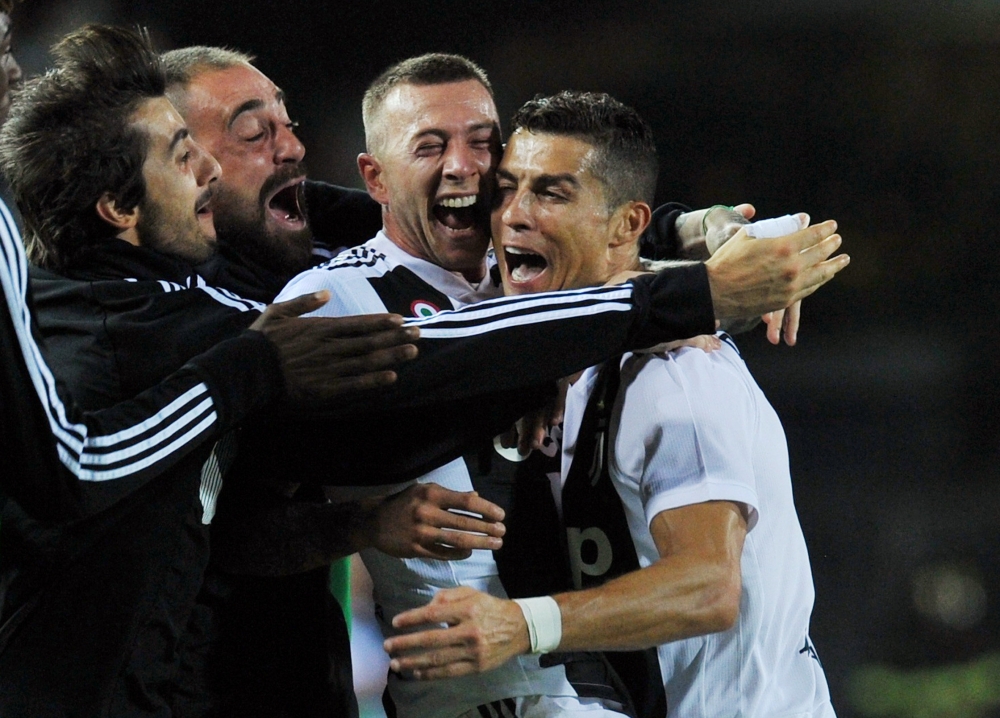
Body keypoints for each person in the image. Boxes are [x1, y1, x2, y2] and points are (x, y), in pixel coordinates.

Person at [277, 57, 846, 717]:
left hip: (592, 686)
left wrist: (706, 264)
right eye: (430, 145)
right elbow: (250, 515)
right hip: (470, 694)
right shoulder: (333, 299)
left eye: (484, 145)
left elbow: (709, 589)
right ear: (374, 175)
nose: (471, 172)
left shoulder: (669, 368)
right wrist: (364, 521)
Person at [0, 26, 506, 718]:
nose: (207, 169)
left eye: (286, 124)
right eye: (189, 152)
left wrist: (355, 526)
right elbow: (76, 469)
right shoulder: (146, 332)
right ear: (120, 206)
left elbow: (233, 524)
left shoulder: (197, 290)